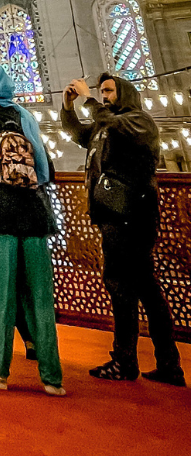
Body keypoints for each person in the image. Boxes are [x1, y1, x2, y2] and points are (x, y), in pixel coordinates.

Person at [61, 70, 184, 386]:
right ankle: (167, 365)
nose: (104, 96)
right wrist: (68, 108)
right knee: (143, 287)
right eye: (101, 92)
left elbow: (113, 123)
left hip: (131, 216)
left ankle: (125, 360)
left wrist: (89, 101)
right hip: (115, 216)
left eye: (109, 91)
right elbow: (79, 134)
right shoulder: (107, 126)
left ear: (125, 94)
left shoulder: (137, 121)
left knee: (123, 288)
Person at [0, 61, 65, 395]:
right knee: (40, 297)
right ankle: (52, 378)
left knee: (1, 295)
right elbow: (45, 169)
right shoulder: (25, 115)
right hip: (34, 213)